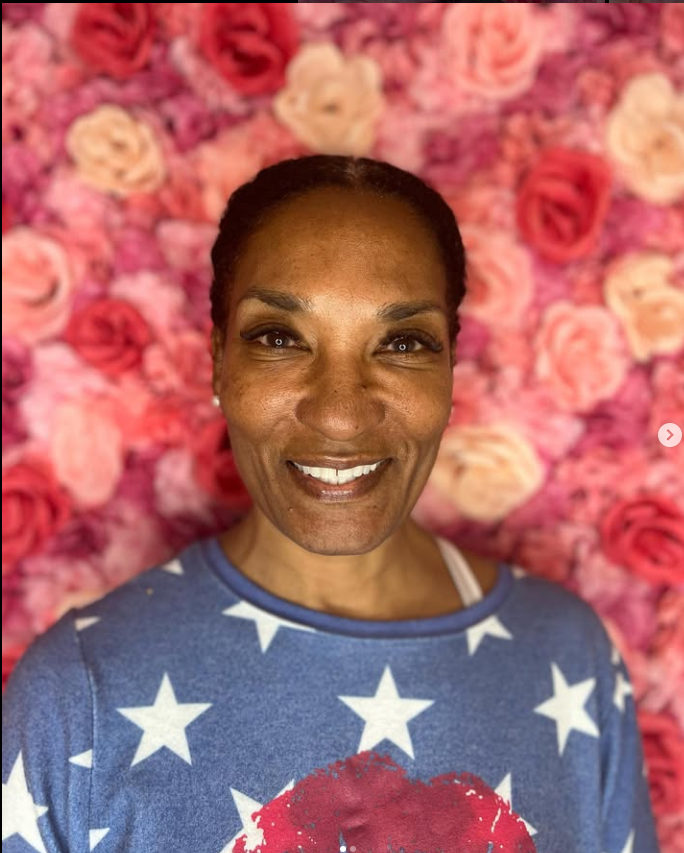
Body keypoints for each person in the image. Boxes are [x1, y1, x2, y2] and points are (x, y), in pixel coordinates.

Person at [3, 156, 659, 853]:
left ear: (449, 368)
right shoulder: (80, 693)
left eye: (402, 343)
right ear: (218, 360)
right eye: (279, 338)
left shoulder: (567, 655)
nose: (340, 415)